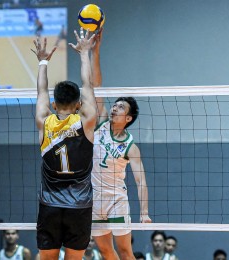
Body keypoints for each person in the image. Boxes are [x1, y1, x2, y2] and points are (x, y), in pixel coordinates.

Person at [31, 27, 97, 260]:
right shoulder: (87, 122)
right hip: (79, 207)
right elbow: (88, 86)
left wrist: (43, 62)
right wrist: (83, 53)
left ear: (54, 104)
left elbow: (40, 92)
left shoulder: (43, 122)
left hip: (50, 206)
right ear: (78, 104)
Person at [90, 28, 151, 260]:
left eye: (121, 107)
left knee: (125, 251)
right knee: (105, 251)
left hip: (117, 199)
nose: (115, 108)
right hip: (95, 199)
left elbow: (140, 180)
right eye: (115, 105)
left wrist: (144, 212)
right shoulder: (101, 123)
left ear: (128, 119)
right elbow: (95, 86)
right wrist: (95, 50)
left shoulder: (130, 146)